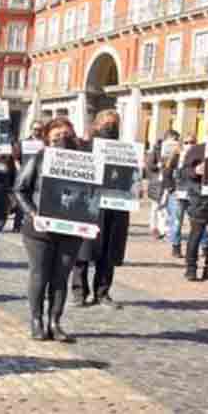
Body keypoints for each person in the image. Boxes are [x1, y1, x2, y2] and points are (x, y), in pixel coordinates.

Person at [12, 117, 84, 342]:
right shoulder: (38, 158)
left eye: (66, 136)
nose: (62, 141)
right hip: (40, 229)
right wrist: (33, 213)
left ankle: (55, 321)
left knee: (61, 276)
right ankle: (36, 321)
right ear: (47, 140)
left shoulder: (86, 162)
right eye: (56, 137)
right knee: (40, 274)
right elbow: (20, 189)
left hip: (71, 228)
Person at [71, 111, 130, 308]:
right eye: (106, 123)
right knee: (83, 249)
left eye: (113, 124)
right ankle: (79, 291)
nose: (110, 127)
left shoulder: (126, 151)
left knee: (109, 251)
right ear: (96, 125)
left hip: (115, 205)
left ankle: (102, 293)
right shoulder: (84, 147)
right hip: (89, 204)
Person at [180, 137, 208, 280]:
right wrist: (196, 170)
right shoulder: (197, 149)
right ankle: (191, 268)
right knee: (196, 234)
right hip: (200, 198)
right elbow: (184, 171)